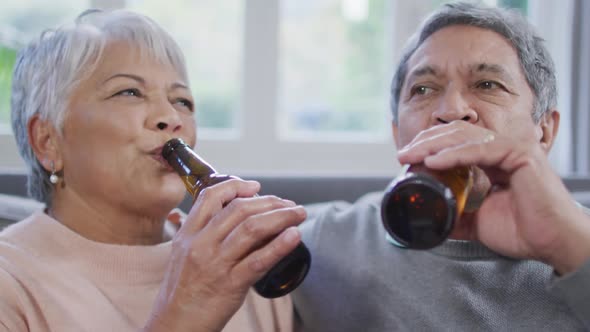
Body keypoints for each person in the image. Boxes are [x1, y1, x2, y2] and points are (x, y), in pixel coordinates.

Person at [0, 9, 306, 332]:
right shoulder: (11, 283)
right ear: (47, 141)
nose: (170, 117)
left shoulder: (244, 258)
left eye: (182, 101)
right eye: (129, 92)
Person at [292, 2, 590, 331]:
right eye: (423, 90)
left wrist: (568, 246)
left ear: (544, 132)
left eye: (487, 84)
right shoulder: (325, 244)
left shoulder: (577, 240)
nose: (451, 110)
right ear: (397, 135)